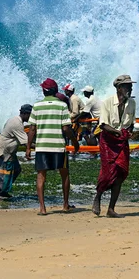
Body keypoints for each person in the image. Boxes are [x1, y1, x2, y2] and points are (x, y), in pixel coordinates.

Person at [26, 78, 80, 215]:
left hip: (42, 147)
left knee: (41, 176)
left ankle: (42, 208)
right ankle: (65, 205)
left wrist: (28, 148)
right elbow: (67, 129)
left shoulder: (37, 106)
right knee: (64, 174)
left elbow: (32, 129)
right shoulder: (62, 106)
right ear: (55, 91)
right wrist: (75, 143)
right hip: (58, 147)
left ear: (44, 91)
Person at [92, 74, 137, 218]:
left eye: (130, 85)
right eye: (127, 85)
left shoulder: (132, 103)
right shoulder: (107, 103)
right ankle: (98, 196)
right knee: (107, 173)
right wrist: (118, 132)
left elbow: (130, 124)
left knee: (120, 173)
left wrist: (129, 132)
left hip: (122, 140)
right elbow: (103, 125)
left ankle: (111, 208)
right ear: (119, 88)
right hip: (108, 141)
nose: (130, 88)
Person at [0, 104, 32, 201]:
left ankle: (3, 192)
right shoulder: (16, 123)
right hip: (3, 152)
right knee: (4, 175)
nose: (31, 117)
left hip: (10, 153)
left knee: (16, 170)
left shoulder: (16, 120)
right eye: (30, 115)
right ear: (25, 113)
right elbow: (26, 143)